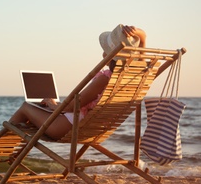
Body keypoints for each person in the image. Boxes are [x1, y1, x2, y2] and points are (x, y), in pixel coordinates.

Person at [9, 24, 147, 140]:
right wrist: (139, 35)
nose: (103, 53)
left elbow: (72, 106)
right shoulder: (132, 78)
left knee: (25, 108)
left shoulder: (104, 79)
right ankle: (12, 154)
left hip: (66, 128)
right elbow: (143, 52)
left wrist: (52, 105)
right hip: (92, 130)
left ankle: (4, 152)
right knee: (36, 114)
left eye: (105, 50)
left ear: (110, 55)